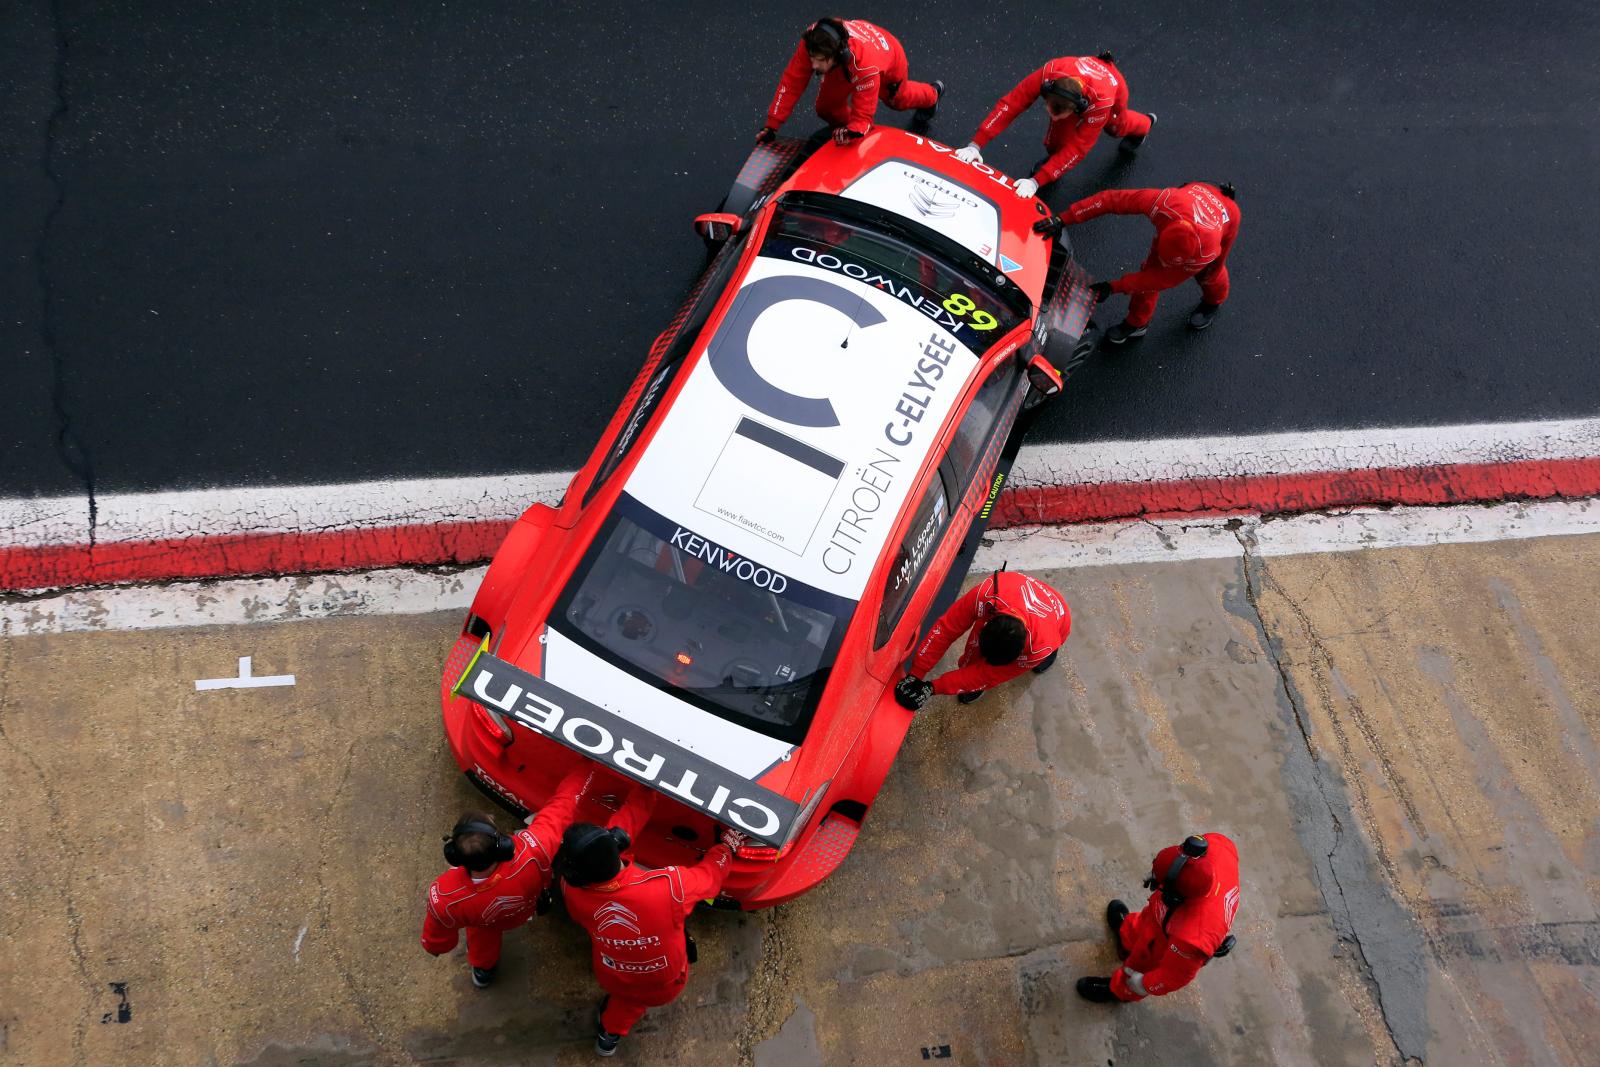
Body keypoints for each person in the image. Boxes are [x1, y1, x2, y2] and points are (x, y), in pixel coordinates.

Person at [559, 795, 743, 1057]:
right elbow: (711, 876)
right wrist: (727, 848)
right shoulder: (670, 888)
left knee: (625, 1003)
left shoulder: (572, 892)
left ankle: (608, 1038)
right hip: (665, 983)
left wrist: (645, 793)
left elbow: (615, 836)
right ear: (617, 846)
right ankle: (609, 1036)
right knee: (636, 1000)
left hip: (612, 975)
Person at [420, 766, 602, 987]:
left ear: (453, 856)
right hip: (523, 911)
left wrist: (435, 947)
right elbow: (564, 805)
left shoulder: (446, 896)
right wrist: (587, 768)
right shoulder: (535, 849)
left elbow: (437, 939)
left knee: (482, 939)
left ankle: (484, 970)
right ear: (503, 845)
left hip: (483, 921)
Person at [1034, 181, 1241, 342]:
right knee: (1152, 268)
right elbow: (1110, 199)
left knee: (1211, 273)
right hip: (1194, 192)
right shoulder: (1163, 202)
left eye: (1170, 262)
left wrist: (1113, 287)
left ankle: (1214, 301)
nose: (1164, 263)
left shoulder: (1207, 252)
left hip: (1228, 216)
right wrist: (1063, 219)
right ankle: (1137, 325)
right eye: (1164, 257)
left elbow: (1159, 280)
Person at [953, 52, 1154, 197]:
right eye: (1050, 111)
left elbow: (1079, 148)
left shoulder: (1100, 103)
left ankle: (1145, 124)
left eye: (1060, 115)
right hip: (1075, 89)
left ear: (1077, 108)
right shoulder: (1049, 72)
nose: (1054, 118)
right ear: (1046, 93)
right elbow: (1011, 104)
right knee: (1055, 145)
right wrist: (975, 145)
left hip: (1113, 87)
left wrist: (1036, 181)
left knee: (1115, 127)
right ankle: (1051, 166)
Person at [1077, 833, 1241, 1003]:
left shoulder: (1191, 940)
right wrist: (1159, 870)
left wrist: (1144, 984)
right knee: (1146, 923)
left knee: (1143, 964)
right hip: (1161, 919)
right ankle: (1128, 938)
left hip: (1169, 940)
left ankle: (1121, 990)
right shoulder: (1220, 846)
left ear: (1174, 897)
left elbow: (1173, 975)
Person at [894, 568, 1071, 709]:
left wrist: (933, 687)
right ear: (987, 623)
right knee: (972, 657)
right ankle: (971, 677)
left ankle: (1051, 654)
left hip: (1058, 619)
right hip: (1013, 592)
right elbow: (946, 629)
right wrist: (916, 673)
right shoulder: (986, 594)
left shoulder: (1040, 647)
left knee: (1044, 651)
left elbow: (988, 675)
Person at [758, 17, 943, 147]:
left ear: (837, 55)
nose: (813, 65)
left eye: (819, 60)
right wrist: (771, 125)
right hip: (846, 63)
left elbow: (863, 116)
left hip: (889, 56)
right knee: (826, 108)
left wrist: (857, 128)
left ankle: (933, 95)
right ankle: (850, 137)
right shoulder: (812, 42)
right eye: (812, 57)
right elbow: (792, 81)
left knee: (897, 100)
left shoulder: (865, 67)